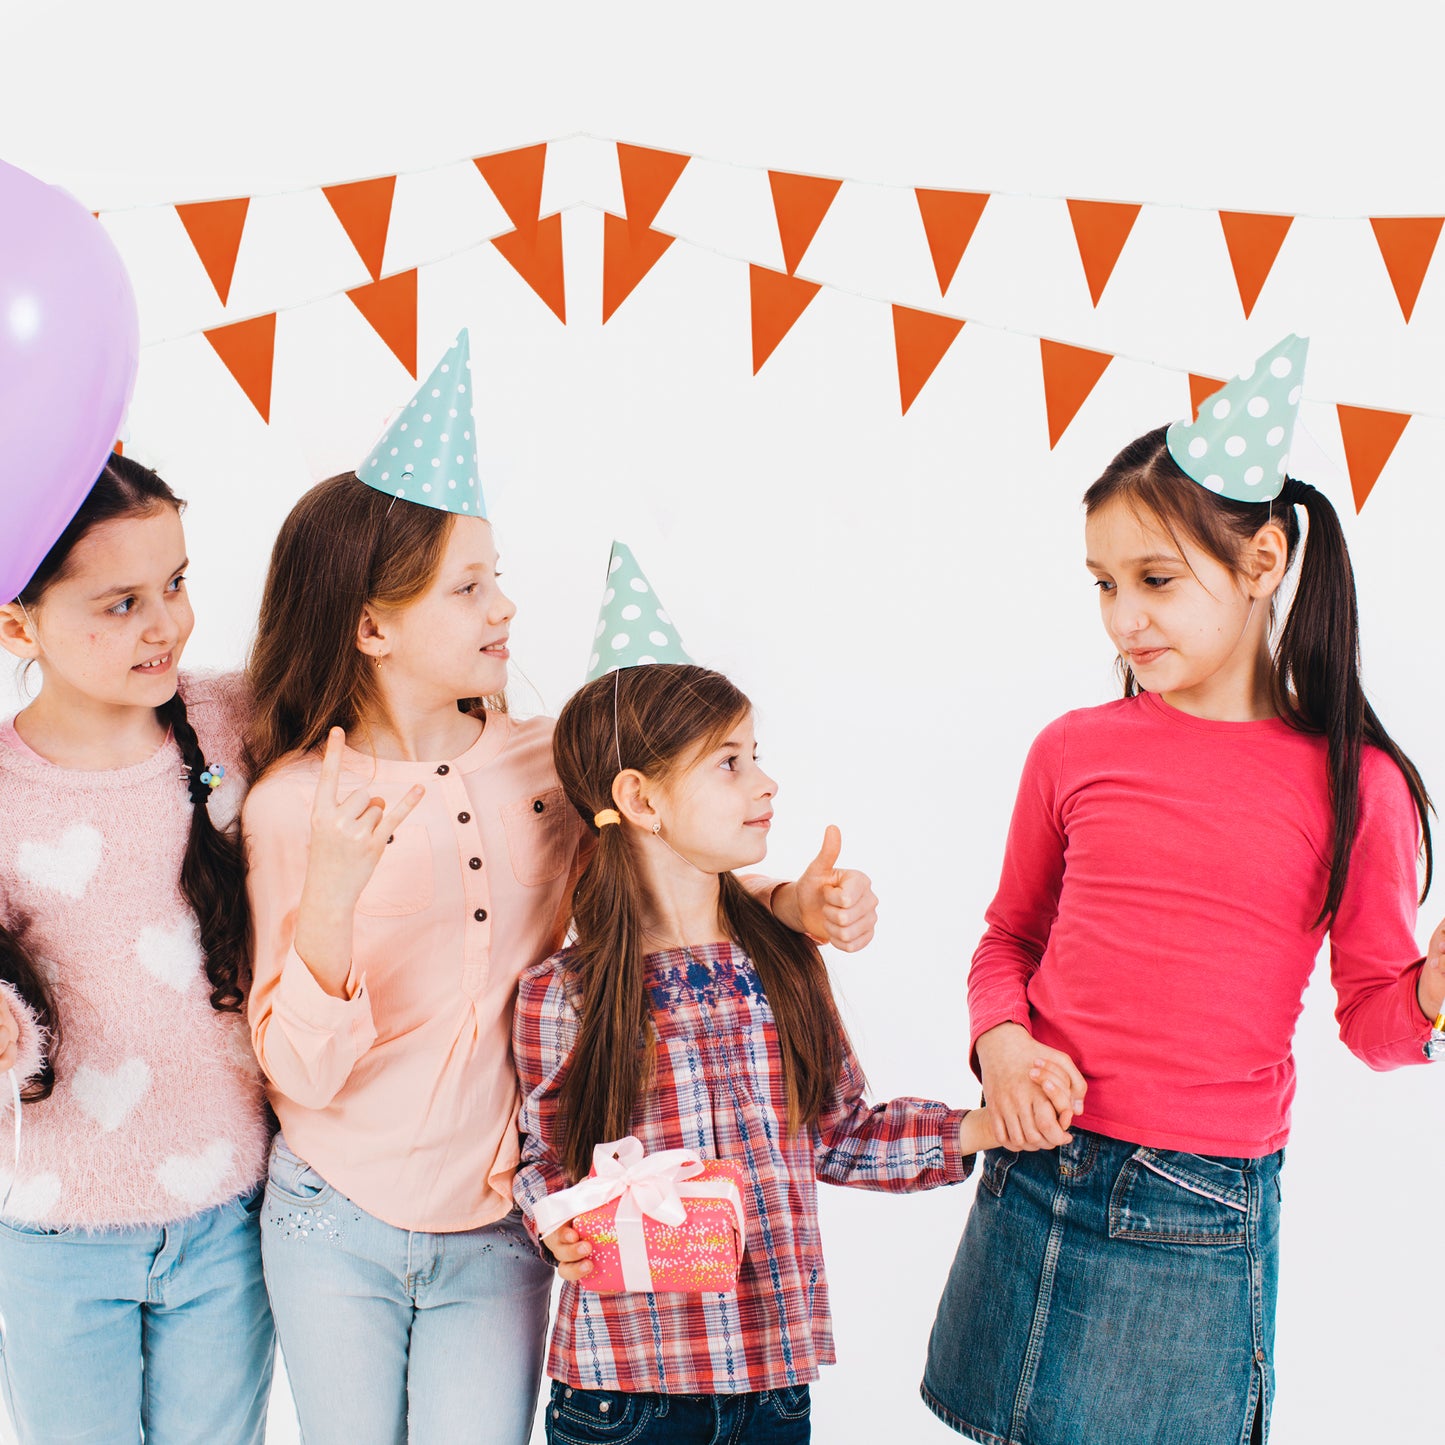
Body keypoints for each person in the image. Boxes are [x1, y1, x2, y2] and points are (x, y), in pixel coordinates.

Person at [242, 337, 880, 1445]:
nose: (503, 609)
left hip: (504, 1215)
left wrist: (784, 904)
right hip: (330, 1209)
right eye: (469, 587)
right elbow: (298, 1065)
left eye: (499, 578)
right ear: (372, 623)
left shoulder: (548, 762)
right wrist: (335, 892)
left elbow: (662, 861)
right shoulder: (296, 801)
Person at [921, 336, 1444, 1445]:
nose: (1122, 618)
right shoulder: (1072, 749)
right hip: (1026, 1169)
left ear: (1261, 560)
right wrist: (1000, 1045)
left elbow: (1374, 1022)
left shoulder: (1359, 784)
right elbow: (1005, 939)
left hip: (1193, 1205)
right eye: (1103, 585)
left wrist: (1433, 994)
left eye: (1153, 580)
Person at [513, 632, 1076, 1442]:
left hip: (773, 1389)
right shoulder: (559, 993)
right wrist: (553, 1219)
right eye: (729, 762)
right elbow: (542, 1160)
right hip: (623, 1391)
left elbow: (840, 1133)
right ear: (640, 799)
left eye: (756, 755)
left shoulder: (782, 962)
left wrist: (988, 1124)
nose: (765, 782)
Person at [0, 453, 274, 1444]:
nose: (165, 622)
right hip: (54, 1226)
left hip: (231, 1210)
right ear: (17, 623)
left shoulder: (234, 720)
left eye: (176, 582)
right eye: (119, 603)